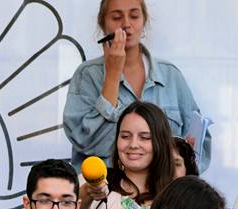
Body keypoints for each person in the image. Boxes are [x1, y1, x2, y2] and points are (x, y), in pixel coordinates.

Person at [63, 0, 210, 171]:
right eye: (116, 17)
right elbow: (88, 143)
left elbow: (199, 146)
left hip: (163, 185)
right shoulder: (87, 75)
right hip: (108, 184)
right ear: (103, 24)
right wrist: (112, 75)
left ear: (144, 22)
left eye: (134, 16)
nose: (126, 24)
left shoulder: (170, 75)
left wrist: (184, 161)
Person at [72, 101, 176, 209]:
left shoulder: (174, 195)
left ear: (160, 142)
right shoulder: (96, 178)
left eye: (144, 137)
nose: (133, 144)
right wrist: (88, 192)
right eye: (125, 136)